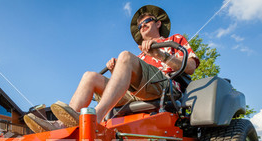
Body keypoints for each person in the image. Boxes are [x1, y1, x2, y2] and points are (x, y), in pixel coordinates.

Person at [24, 5, 200, 133]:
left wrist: (161, 55)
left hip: (165, 85)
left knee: (124, 56)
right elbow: (123, 83)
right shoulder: (140, 57)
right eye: (139, 26)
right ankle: (61, 126)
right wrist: (116, 70)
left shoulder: (175, 39)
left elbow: (190, 67)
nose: (142, 26)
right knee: (90, 76)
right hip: (137, 91)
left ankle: (95, 118)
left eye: (146, 22)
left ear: (158, 23)